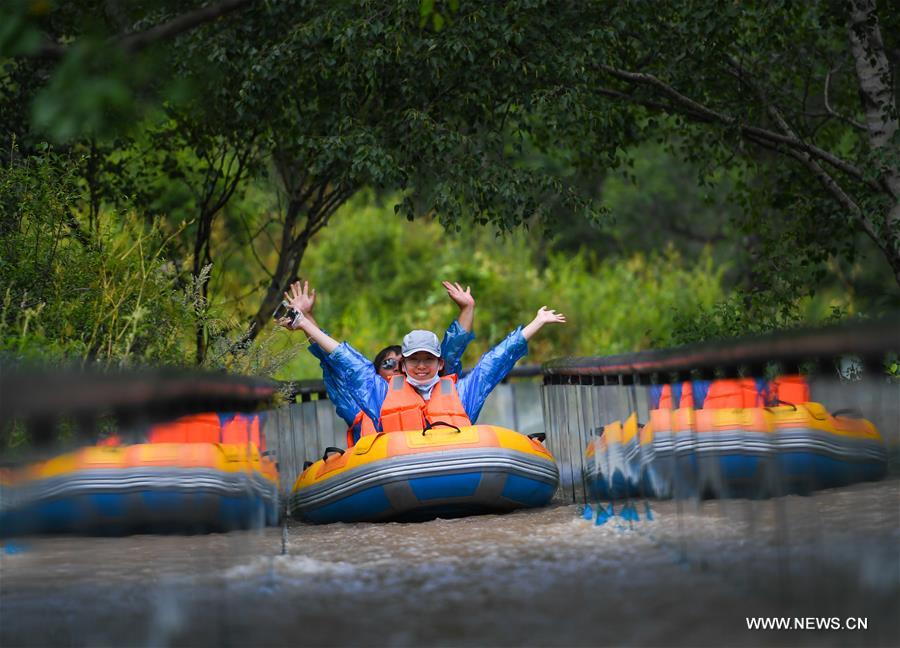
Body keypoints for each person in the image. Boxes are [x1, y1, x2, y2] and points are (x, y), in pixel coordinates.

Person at [282, 280, 565, 433]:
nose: (421, 366)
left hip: (457, 465)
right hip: (394, 469)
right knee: (344, 364)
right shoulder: (379, 392)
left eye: (428, 360)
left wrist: (536, 323)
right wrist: (305, 321)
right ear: (403, 365)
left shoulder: (459, 392)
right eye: (413, 360)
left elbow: (494, 363)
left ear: (439, 364)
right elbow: (344, 360)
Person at [281, 281, 477, 444]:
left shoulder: (434, 389)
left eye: (402, 363)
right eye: (389, 364)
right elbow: (337, 360)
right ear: (376, 373)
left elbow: (452, 351)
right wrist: (306, 318)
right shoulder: (367, 394)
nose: (397, 369)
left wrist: (467, 308)